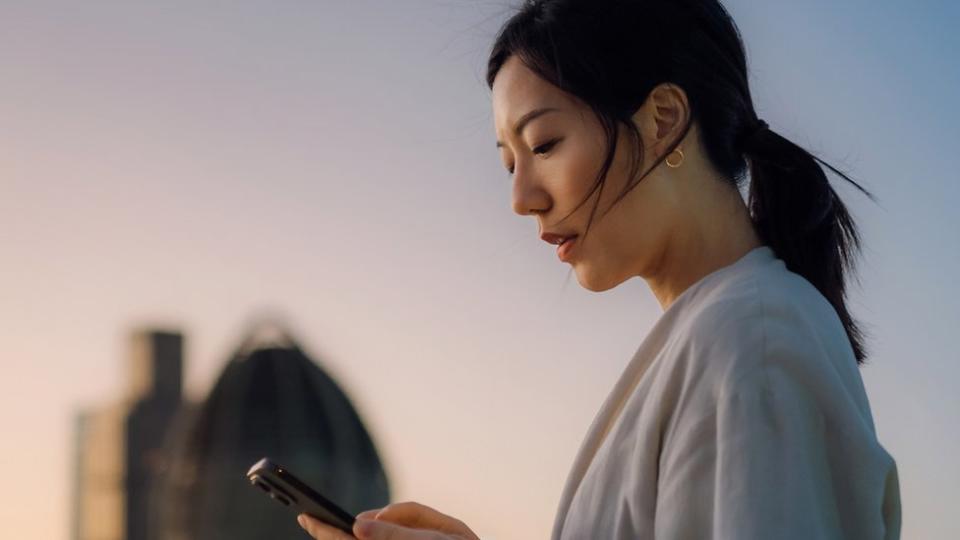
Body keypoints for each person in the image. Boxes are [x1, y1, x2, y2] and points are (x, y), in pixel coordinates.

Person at [298, 0, 902, 538]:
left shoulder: (754, 336)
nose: (521, 198)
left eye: (543, 145)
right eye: (509, 162)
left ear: (664, 120)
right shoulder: (722, 335)